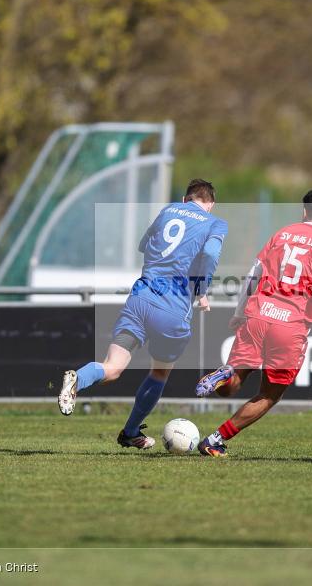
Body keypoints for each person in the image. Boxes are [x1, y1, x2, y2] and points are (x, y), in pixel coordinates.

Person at [57, 179, 228, 450]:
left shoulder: (168, 210)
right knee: (159, 372)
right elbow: (209, 253)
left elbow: (143, 245)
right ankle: (130, 430)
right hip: (172, 310)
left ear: (185, 200)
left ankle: (78, 378)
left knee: (112, 367)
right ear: (211, 204)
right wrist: (202, 290)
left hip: (139, 299)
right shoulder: (215, 223)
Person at [193, 189, 312, 457]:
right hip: (290, 325)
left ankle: (225, 373)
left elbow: (253, 275)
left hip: (258, 315)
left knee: (232, 385)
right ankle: (215, 439)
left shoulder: (282, 234)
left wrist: (239, 312)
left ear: (304, 211)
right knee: (270, 394)